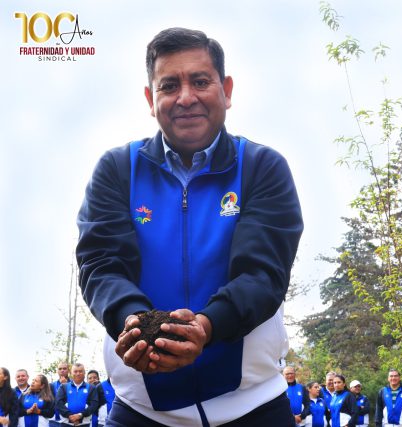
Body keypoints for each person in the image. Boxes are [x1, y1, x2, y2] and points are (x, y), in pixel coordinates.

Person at [75, 26, 303, 426]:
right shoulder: (117, 169)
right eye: (169, 85)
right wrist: (135, 324)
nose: (185, 97)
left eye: (200, 81)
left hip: (253, 405)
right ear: (151, 99)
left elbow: (263, 273)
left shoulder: (262, 167)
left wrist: (206, 326)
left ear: (226, 90)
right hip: (141, 410)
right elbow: (101, 265)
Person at [49, 362, 69, 427]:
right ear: (57, 371)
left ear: (68, 370)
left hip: (67, 420)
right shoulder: (52, 385)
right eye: (60, 369)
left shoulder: (73, 384)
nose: (62, 370)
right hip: (53, 420)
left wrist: (65, 385)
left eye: (64, 368)